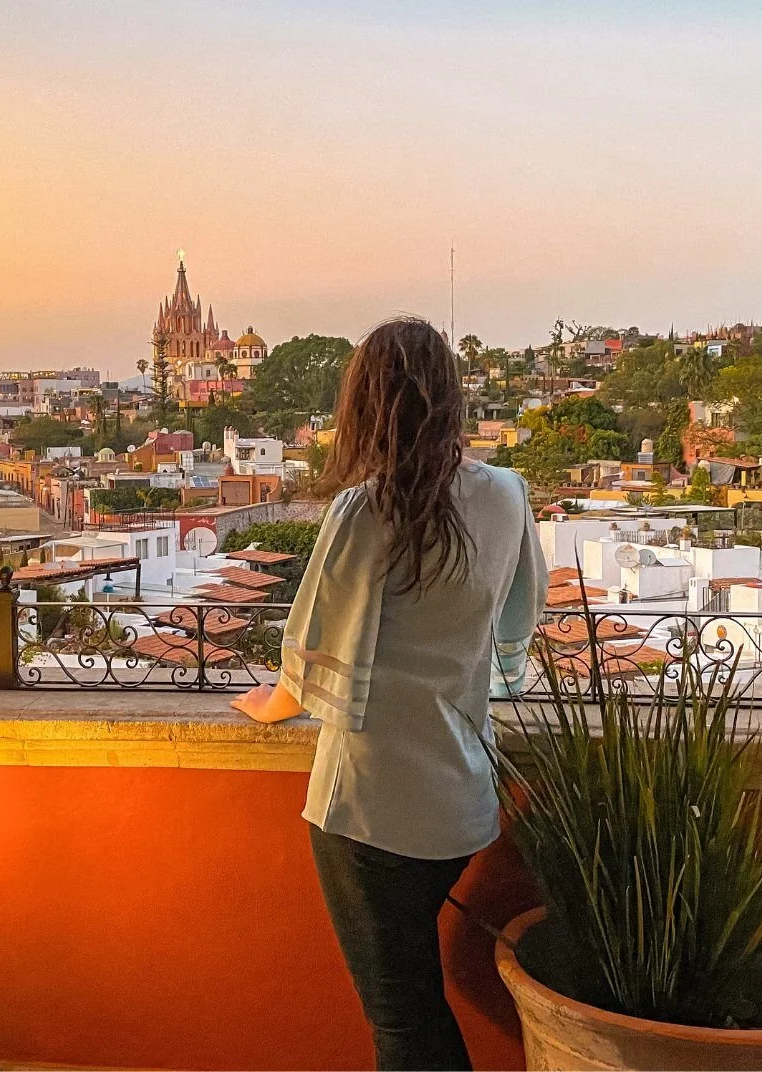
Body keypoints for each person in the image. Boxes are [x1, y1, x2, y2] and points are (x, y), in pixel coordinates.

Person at [232, 317, 547, 1071]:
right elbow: (516, 619)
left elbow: (315, 655)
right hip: (462, 798)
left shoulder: (365, 511)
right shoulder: (506, 494)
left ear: (366, 404)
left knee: (400, 1016)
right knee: (413, 1003)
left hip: (368, 810)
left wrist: (268, 703)